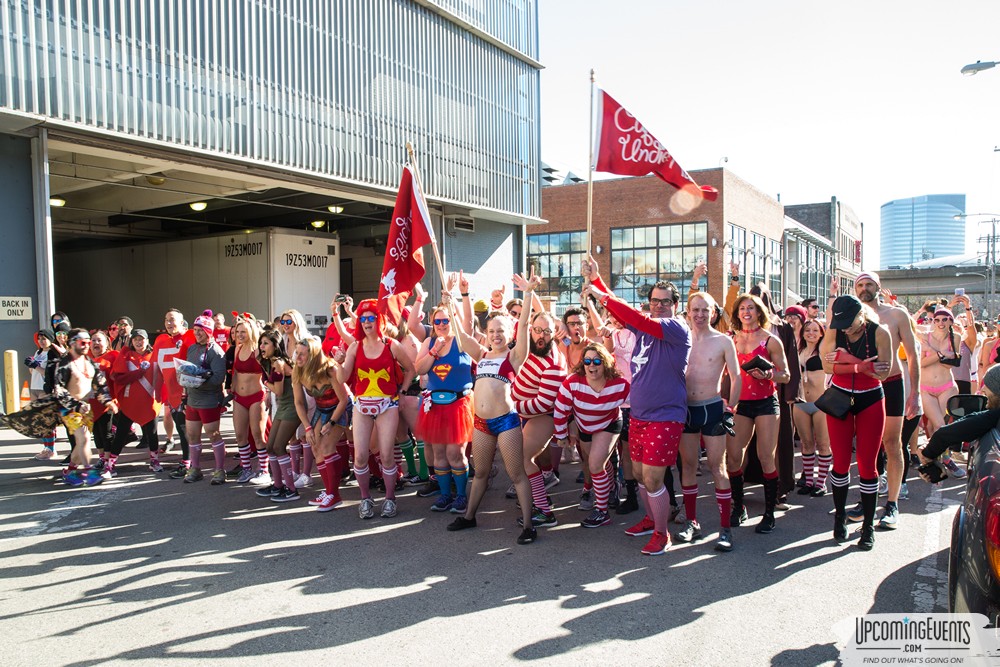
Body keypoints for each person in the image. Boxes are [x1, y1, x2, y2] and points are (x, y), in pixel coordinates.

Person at [582, 257, 691, 556]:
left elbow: (637, 318)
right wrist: (599, 280)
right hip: (639, 414)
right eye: (654, 301)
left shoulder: (676, 328)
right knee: (642, 475)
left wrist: (599, 293)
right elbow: (627, 314)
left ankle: (662, 532)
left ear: (675, 305)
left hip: (665, 415)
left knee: (654, 477)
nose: (658, 306)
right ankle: (651, 517)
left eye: (665, 302)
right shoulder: (644, 329)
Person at [447, 273, 538, 544]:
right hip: (481, 424)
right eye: (492, 331)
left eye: (501, 331)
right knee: (482, 473)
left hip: (506, 422)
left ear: (507, 334)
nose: (496, 335)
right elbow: (462, 337)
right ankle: (469, 516)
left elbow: (523, 326)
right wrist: (456, 299)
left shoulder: (514, 356)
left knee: (516, 474)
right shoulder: (482, 355)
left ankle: (529, 526)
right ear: (486, 335)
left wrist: (529, 293)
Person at [845, 272, 921, 529]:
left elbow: (912, 355)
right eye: (860, 285)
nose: (864, 289)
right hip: (864, 385)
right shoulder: (851, 316)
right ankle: (866, 499)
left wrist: (915, 394)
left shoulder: (897, 315)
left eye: (869, 284)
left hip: (892, 384)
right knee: (868, 445)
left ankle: (892, 503)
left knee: (892, 442)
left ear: (878, 287)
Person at [821, 295, 892, 550]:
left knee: (867, 463)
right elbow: (826, 367)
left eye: (850, 323)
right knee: (839, 461)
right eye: (841, 324)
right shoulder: (835, 329)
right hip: (840, 398)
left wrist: (843, 361)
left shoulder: (879, 333)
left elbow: (883, 371)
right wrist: (858, 367)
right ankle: (839, 516)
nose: (846, 328)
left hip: (871, 399)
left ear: (861, 314)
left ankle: (868, 526)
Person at [338, 299, 415, 519]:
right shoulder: (355, 346)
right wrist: (339, 362)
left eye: (371, 317)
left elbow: (410, 369)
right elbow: (343, 377)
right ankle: (365, 499)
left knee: (387, 455)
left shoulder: (392, 345)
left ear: (379, 320)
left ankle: (390, 499)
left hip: (387, 404)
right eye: (363, 318)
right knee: (360, 456)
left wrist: (403, 393)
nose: (366, 322)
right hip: (362, 405)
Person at [677, 291, 741, 551]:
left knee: (717, 466)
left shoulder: (723, 341)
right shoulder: (680, 339)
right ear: (688, 312)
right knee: (688, 466)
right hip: (685, 409)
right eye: (696, 309)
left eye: (705, 310)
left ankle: (725, 529)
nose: (700, 314)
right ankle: (692, 522)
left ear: (713, 313)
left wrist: (731, 408)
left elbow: (736, 377)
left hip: (713, 408)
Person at [727, 293, 791, 534]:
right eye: (742, 307)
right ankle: (738, 506)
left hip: (766, 403)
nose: (746, 311)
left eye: (751, 308)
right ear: (737, 313)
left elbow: (786, 375)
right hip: (740, 405)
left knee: (766, 456)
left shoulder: (771, 341)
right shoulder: (730, 340)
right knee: (734, 458)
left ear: (759, 312)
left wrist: (770, 375)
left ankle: (769, 513)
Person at [553, 343, 630, 529]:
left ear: (605, 363)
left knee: (596, 464)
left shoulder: (619, 384)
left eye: (597, 361)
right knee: (593, 463)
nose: (592, 366)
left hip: (609, 424)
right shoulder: (572, 382)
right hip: (585, 427)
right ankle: (612, 486)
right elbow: (560, 408)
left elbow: (639, 401)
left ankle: (602, 511)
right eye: (587, 361)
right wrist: (562, 435)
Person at [413, 300, 475, 514]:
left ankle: (461, 496)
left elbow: (468, 322)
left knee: (455, 453)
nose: (441, 324)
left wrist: (459, 297)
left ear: (452, 320)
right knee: (438, 452)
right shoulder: (429, 343)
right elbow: (419, 368)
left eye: (445, 320)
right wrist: (434, 351)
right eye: (437, 321)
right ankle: (445, 495)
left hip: (458, 404)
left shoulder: (462, 340)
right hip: (435, 405)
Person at [509, 306, 566, 528]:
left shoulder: (554, 364)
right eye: (537, 330)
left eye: (547, 332)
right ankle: (538, 497)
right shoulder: (529, 348)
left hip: (544, 415)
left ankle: (544, 511)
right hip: (527, 414)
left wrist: (511, 406)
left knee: (524, 459)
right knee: (522, 459)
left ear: (555, 333)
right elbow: (521, 323)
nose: (540, 336)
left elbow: (544, 403)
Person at [53, 329, 119, 486]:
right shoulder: (64, 363)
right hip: (69, 409)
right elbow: (59, 390)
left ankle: (69, 472)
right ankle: (89, 473)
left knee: (81, 443)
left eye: (88, 343)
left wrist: (107, 401)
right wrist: (76, 405)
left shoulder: (89, 362)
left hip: (86, 409)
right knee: (84, 438)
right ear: (72, 343)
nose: (87, 346)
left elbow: (100, 385)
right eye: (83, 343)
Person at [293, 336, 352, 510]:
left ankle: (334, 495)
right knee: (315, 446)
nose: (298, 358)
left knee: (326, 446)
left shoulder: (330, 369)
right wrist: (308, 427)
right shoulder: (298, 370)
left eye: (303, 354)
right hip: (321, 408)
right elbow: (298, 402)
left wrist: (332, 423)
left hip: (342, 407)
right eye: (297, 353)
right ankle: (328, 492)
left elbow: (343, 400)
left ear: (313, 356)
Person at [256, 329, 303, 502]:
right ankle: (277, 485)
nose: (261, 347)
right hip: (284, 406)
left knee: (279, 447)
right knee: (270, 447)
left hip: (292, 407)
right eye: (261, 343)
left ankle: (291, 489)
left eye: (266, 343)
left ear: (275, 346)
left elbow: (279, 390)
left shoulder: (278, 362)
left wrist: (266, 382)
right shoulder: (270, 361)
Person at [181, 311, 228, 484]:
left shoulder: (216, 351)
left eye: (201, 330)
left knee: (213, 434)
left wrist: (198, 380)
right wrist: (185, 385)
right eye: (195, 330)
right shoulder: (192, 348)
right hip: (193, 399)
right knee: (192, 435)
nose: (197, 333)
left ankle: (219, 470)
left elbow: (218, 378)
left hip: (209, 400)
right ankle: (195, 468)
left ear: (209, 331)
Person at [107, 329, 162, 475]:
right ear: (131, 341)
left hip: (150, 402)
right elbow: (117, 378)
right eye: (136, 339)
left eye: (142, 339)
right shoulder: (125, 356)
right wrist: (138, 373)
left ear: (147, 341)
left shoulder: (155, 356)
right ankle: (110, 464)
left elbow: (164, 375)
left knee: (152, 434)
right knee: (121, 434)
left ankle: (154, 460)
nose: (139, 342)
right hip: (129, 403)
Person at [152, 309, 197, 478]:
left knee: (189, 429)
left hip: (190, 394)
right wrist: (157, 391)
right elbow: (156, 369)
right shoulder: (160, 341)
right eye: (166, 320)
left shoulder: (190, 337)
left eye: (172, 320)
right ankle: (189, 460)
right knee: (181, 428)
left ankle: (188, 462)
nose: (169, 323)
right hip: (171, 395)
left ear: (182, 321)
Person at [793, 319, 832, 497]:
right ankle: (809, 481)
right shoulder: (797, 350)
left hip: (821, 403)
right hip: (800, 403)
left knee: (824, 444)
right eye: (808, 330)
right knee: (806, 443)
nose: (811, 333)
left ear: (821, 333)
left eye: (815, 330)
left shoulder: (825, 350)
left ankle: (821, 482)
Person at [230, 317, 269, 484]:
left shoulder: (259, 350)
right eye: (237, 332)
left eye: (243, 332)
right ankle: (246, 469)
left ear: (251, 331)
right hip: (239, 398)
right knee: (240, 435)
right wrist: (231, 388)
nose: (239, 335)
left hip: (257, 397)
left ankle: (264, 470)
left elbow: (269, 372)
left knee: (258, 435)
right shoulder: (237, 349)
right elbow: (236, 372)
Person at [25, 328, 57, 460]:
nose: (41, 341)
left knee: (47, 420)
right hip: (35, 387)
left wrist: (36, 366)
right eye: (39, 339)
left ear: (50, 339)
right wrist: (31, 365)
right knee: (39, 420)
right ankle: (45, 448)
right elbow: (33, 372)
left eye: (44, 338)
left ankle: (51, 449)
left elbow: (48, 373)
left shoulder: (52, 354)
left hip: (45, 389)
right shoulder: (38, 352)